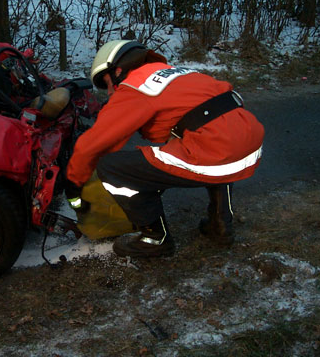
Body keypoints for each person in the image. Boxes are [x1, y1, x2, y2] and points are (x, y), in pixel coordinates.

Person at [65, 40, 265, 258]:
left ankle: (155, 239)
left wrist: (74, 185)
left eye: (108, 83)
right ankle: (220, 224)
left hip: (217, 152)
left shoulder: (134, 87)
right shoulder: (177, 73)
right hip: (249, 141)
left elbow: (91, 145)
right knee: (213, 145)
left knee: (112, 167)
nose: (111, 91)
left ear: (119, 70)